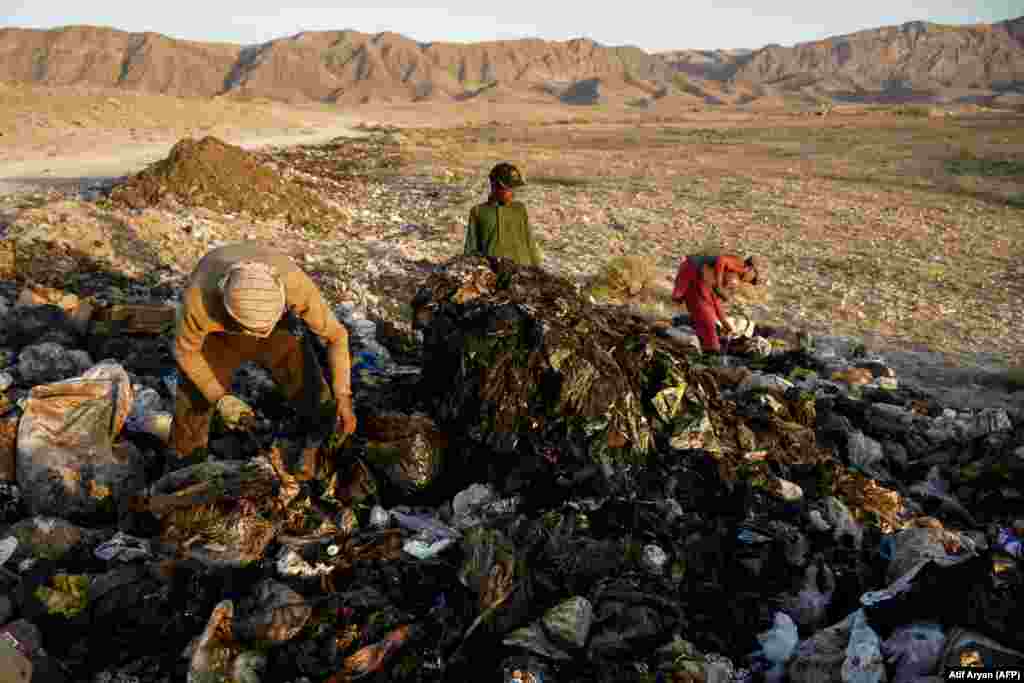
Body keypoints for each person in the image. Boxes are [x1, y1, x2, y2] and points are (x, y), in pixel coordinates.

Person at [170, 242, 357, 465]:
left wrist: (343, 397)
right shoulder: (199, 299)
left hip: (280, 328)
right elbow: (185, 352)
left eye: (261, 330)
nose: (257, 335)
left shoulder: (294, 285)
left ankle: (318, 457)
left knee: (314, 394)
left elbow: (336, 336)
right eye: (253, 331)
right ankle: (184, 469)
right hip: (219, 336)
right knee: (194, 402)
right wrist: (219, 397)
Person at [671, 253, 760, 353]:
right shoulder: (740, 265)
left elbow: (715, 300)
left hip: (698, 278)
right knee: (707, 323)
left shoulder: (729, 275)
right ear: (750, 270)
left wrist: (724, 322)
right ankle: (710, 349)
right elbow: (721, 260)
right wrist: (719, 286)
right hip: (695, 273)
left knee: (706, 320)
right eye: (752, 279)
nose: (748, 281)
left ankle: (705, 346)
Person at [463, 162, 542, 267]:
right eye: (508, 188)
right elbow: (471, 249)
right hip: (492, 273)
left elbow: (529, 241)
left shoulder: (519, 209)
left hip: (522, 272)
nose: (512, 193)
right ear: (494, 186)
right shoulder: (478, 211)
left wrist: (537, 267)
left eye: (513, 188)